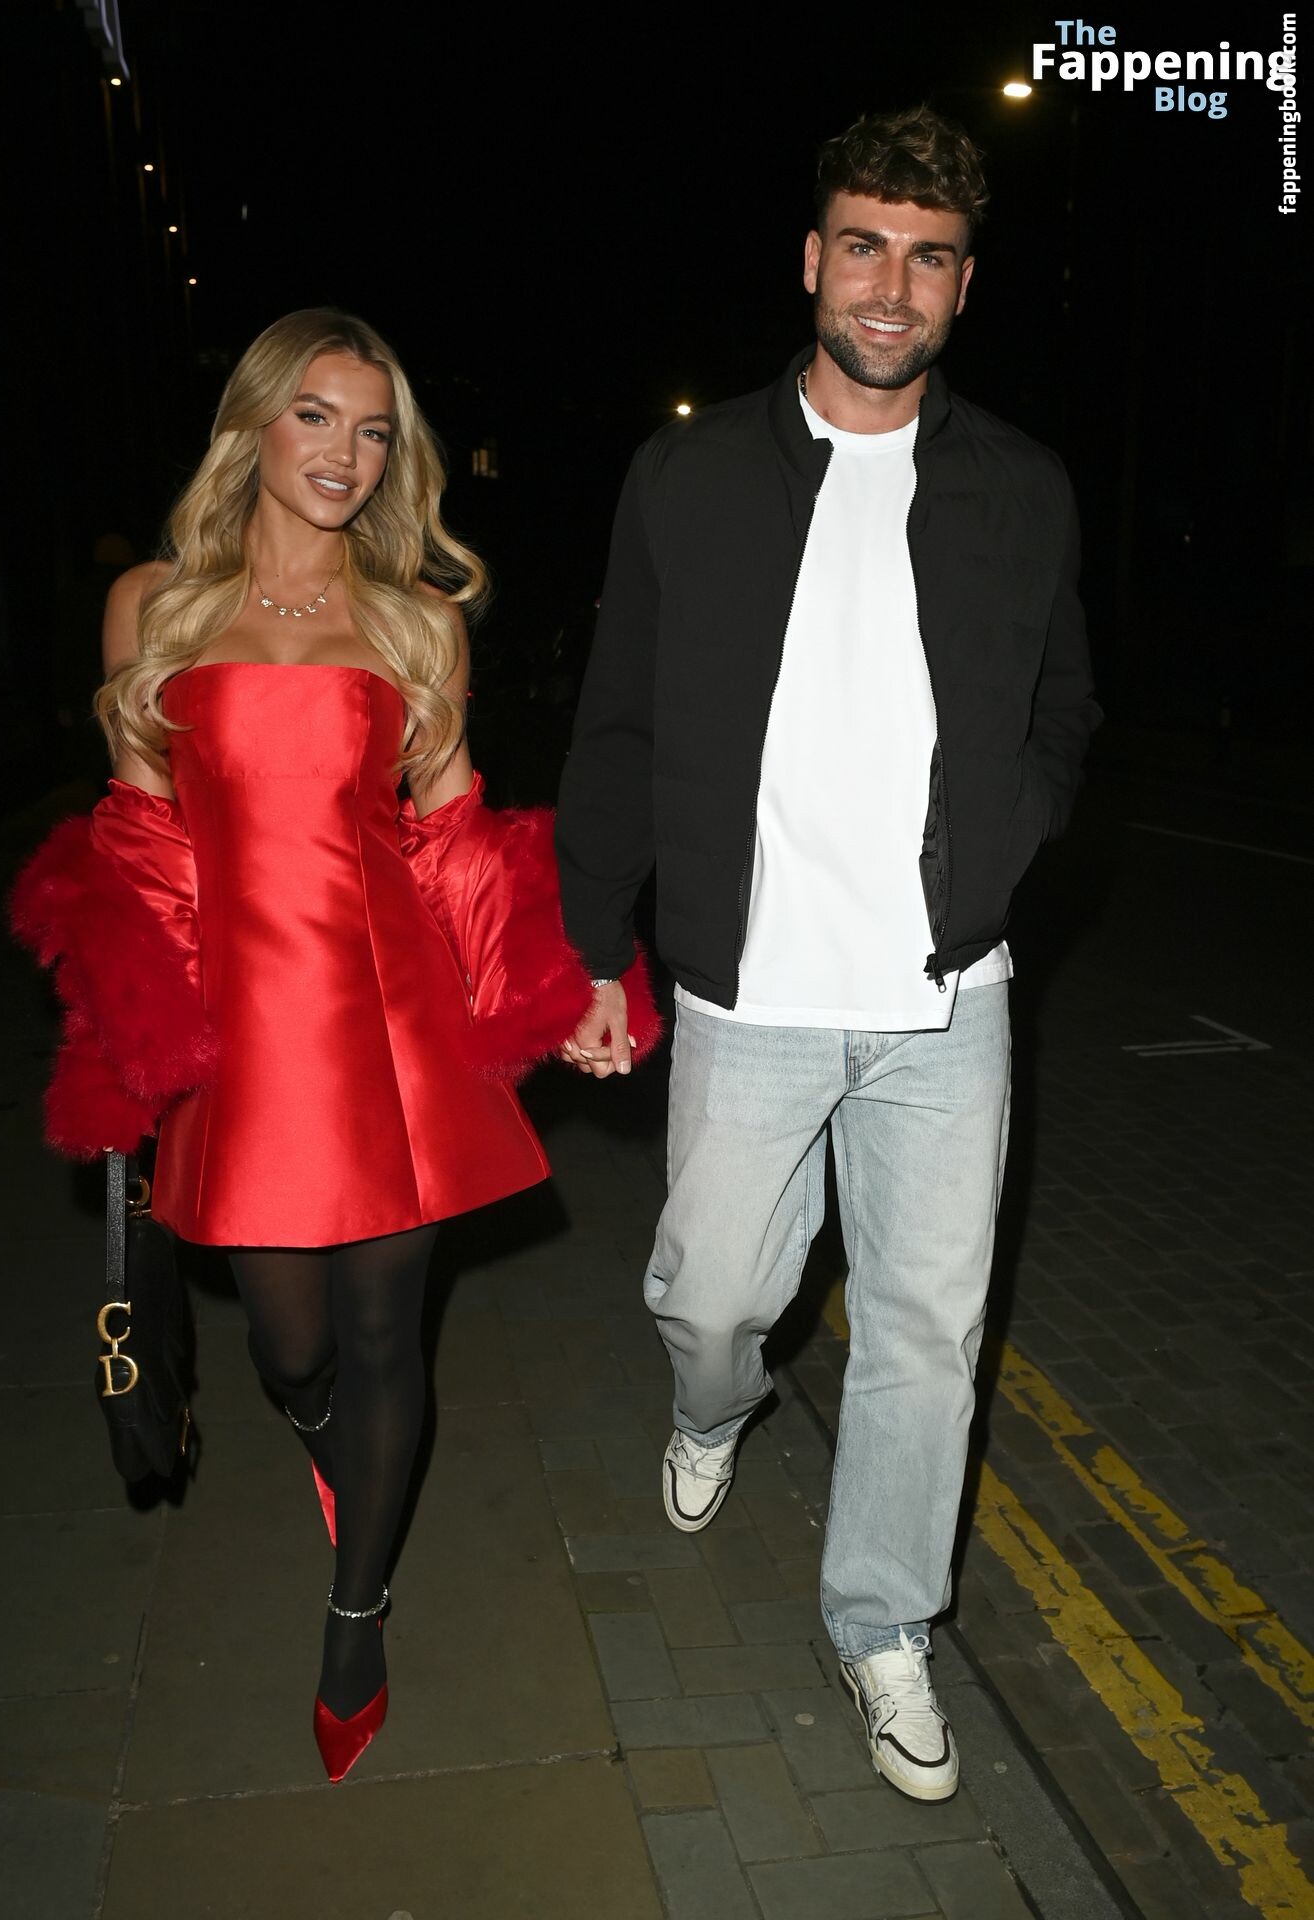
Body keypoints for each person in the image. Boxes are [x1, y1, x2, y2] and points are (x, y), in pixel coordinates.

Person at [12, 309, 655, 1783]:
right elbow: (144, 846)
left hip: (391, 1017)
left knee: (384, 1335)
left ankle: (355, 1608)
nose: (346, 454)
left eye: (374, 431)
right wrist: (128, 1036)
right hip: (247, 1033)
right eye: (316, 416)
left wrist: (577, 983)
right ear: (254, 424)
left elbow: (454, 840)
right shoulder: (154, 608)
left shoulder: (416, 619)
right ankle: (327, 1438)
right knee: (289, 1345)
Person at [555, 108, 1100, 1802]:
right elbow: (618, 719)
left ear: (962, 287)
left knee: (927, 1335)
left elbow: (1062, 705)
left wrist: (1001, 850)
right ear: (810, 260)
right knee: (715, 1296)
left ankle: (882, 1624)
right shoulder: (692, 473)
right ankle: (711, 1408)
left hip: (947, 1001)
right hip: (750, 989)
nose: (890, 285)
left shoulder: (1019, 486)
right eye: (862, 246)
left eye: (928, 258)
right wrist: (594, 946)